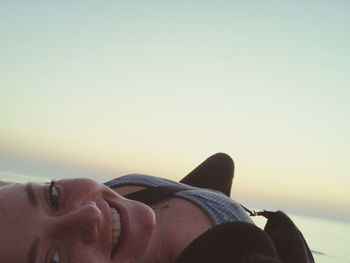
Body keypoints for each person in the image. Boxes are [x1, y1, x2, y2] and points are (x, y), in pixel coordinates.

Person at [0, 153, 312, 263]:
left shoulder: (119, 190)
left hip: (179, 193)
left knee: (221, 162)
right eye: (54, 260)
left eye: (52, 196)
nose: (90, 213)